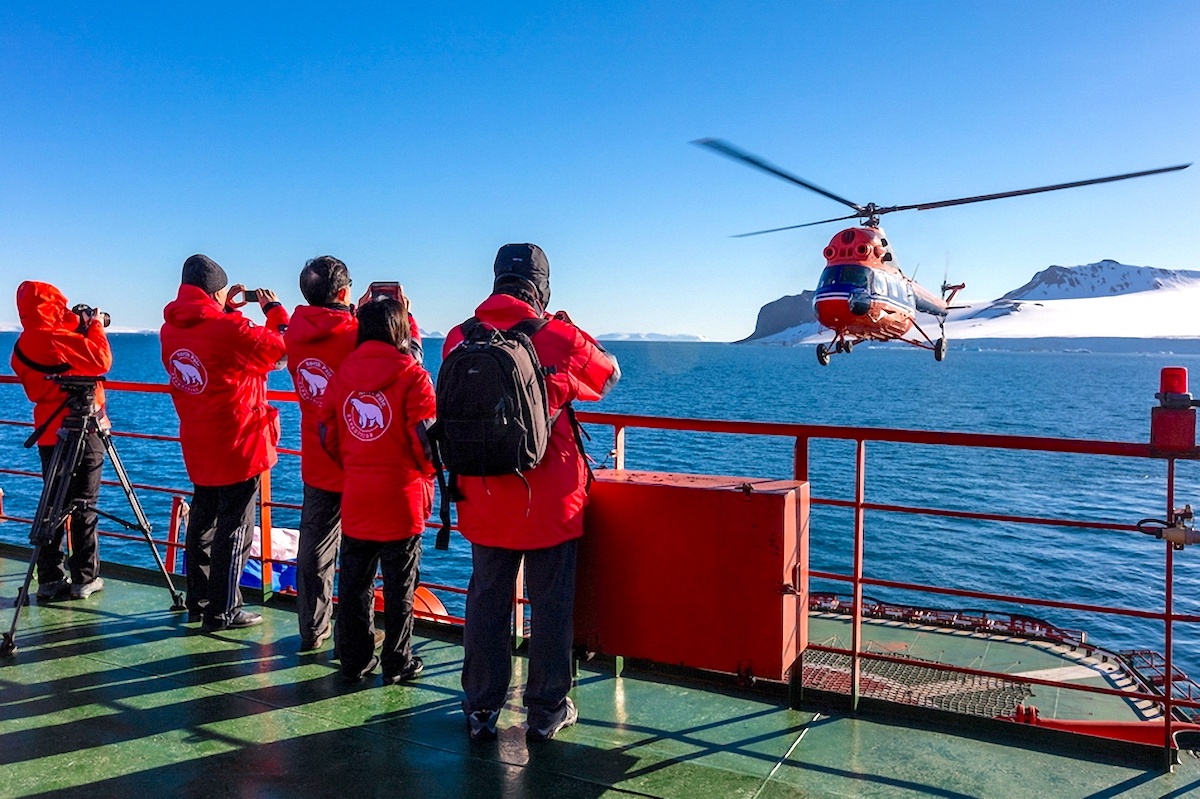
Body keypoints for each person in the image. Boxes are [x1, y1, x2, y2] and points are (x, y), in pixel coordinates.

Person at [445, 243, 619, 741]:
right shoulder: (559, 335)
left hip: (482, 493)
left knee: (486, 603)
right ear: (541, 288)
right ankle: (546, 710)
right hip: (549, 500)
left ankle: (481, 707)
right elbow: (609, 376)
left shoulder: (460, 336)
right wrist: (568, 329)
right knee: (551, 607)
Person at [284, 256, 423, 651]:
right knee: (363, 560)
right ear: (344, 292)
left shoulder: (293, 333)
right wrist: (403, 317)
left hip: (318, 453)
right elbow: (407, 360)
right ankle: (362, 639)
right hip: (362, 457)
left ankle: (313, 628)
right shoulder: (357, 333)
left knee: (315, 547)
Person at [160, 254, 289, 632]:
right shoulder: (229, 329)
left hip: (198, 440)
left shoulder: (171, 328)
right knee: (236, 528)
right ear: (217, 292)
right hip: (239, 442)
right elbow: (281, 351)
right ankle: (225, 609)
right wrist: (274, 311)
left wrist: (228, 311)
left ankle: (199, 600)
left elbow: (215, 342)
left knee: (202, 521)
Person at [318, 297, 435, 683]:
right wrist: (425, 474)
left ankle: (355, 659)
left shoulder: (342, 376)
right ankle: (398, 662)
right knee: (401, 586)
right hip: (402, 498)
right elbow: (427, 443)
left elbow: (327, 432)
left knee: (355, 583)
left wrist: (353, 463)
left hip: (358, 495)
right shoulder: (414, 377)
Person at [10, 281, 113, 600]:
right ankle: (85, 577)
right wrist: (95, 326)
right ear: (54, 306)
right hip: (83, 427)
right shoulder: (58, 339)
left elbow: (47, 355)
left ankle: (50, 577)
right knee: (84, 503)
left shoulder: (24, 343)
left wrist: (74, 325)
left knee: (52, 502)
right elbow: (101, 360)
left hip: (48, 430)